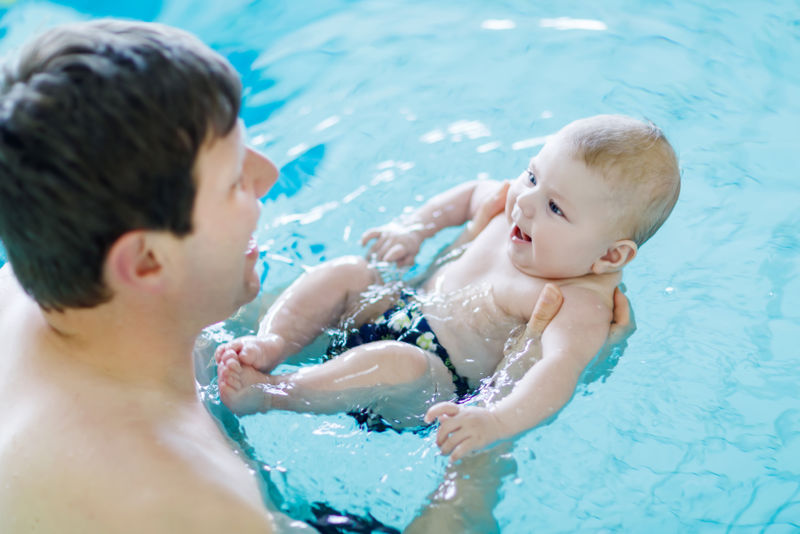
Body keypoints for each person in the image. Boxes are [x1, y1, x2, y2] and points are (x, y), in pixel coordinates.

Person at [0, 17, 581, 534]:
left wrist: (441, 289)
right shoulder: (193, 504)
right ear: (147, 261)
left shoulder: (54, 282)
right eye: (234, 179)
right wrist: (499, 415)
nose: (270, 175)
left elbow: (256, 327)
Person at [215, 113, 677, 460]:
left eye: (556, 208)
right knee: (347, 272)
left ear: (611, 256)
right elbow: (467, 196)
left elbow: (557, 370)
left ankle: (275, 392)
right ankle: (272, 343)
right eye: (532, 175)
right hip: (395, 306)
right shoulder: (512, 207)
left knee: (397, 361)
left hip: (431, 383)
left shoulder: (576, 300)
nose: (526, 203)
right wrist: (413, 229)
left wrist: (496, 420)